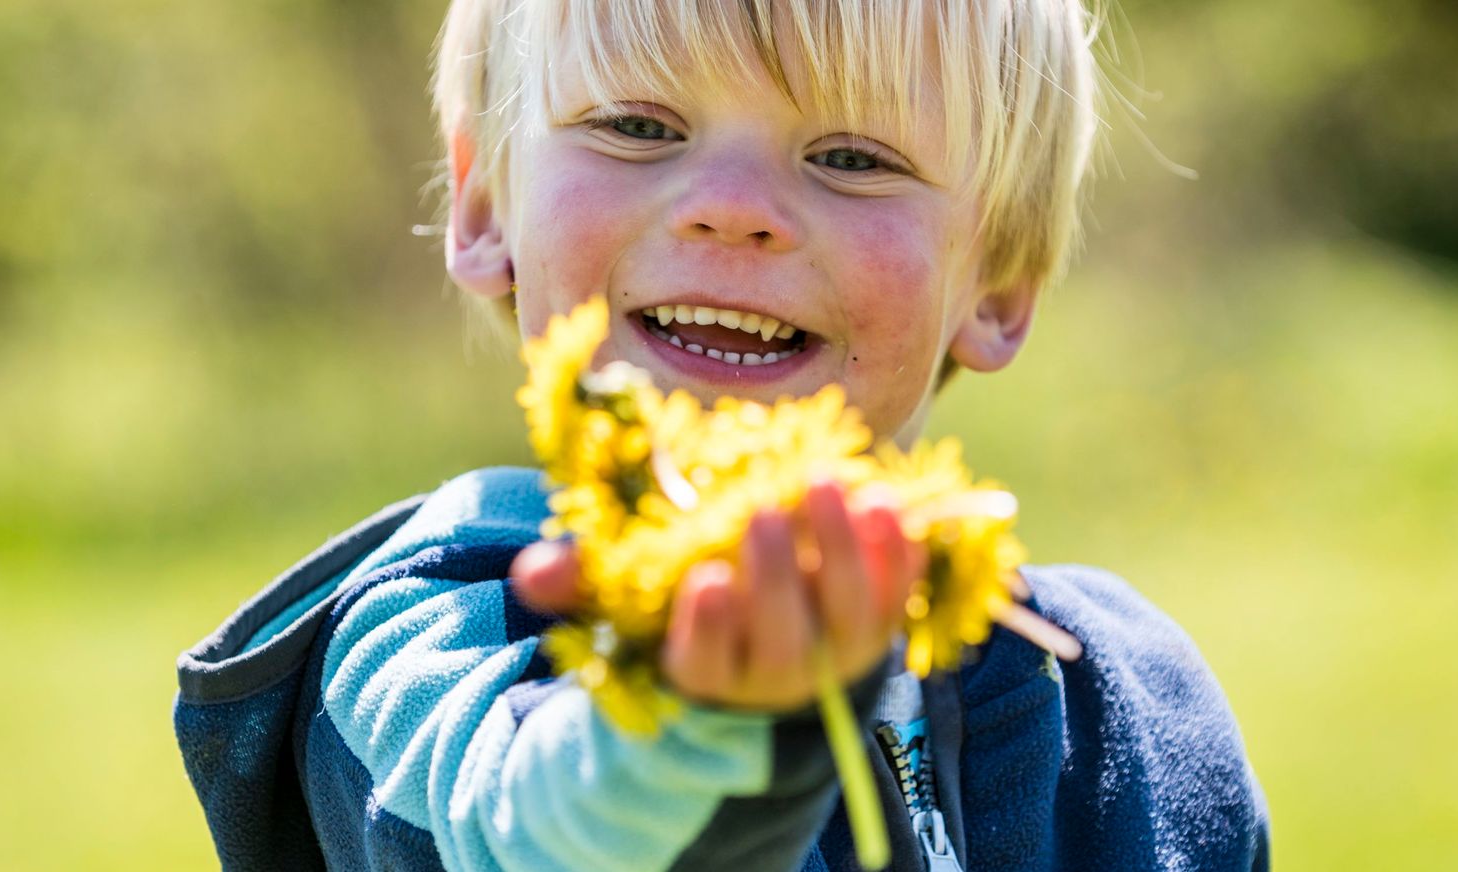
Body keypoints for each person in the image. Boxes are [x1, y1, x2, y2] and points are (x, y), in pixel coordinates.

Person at [173, 1, 1270, 869]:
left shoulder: (1123, 708)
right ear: (482, 207)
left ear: (994, 283)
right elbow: (517, 830)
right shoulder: (428, 628)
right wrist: (692, 724)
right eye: (637, 127)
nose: (731, 206)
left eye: (852, 156)